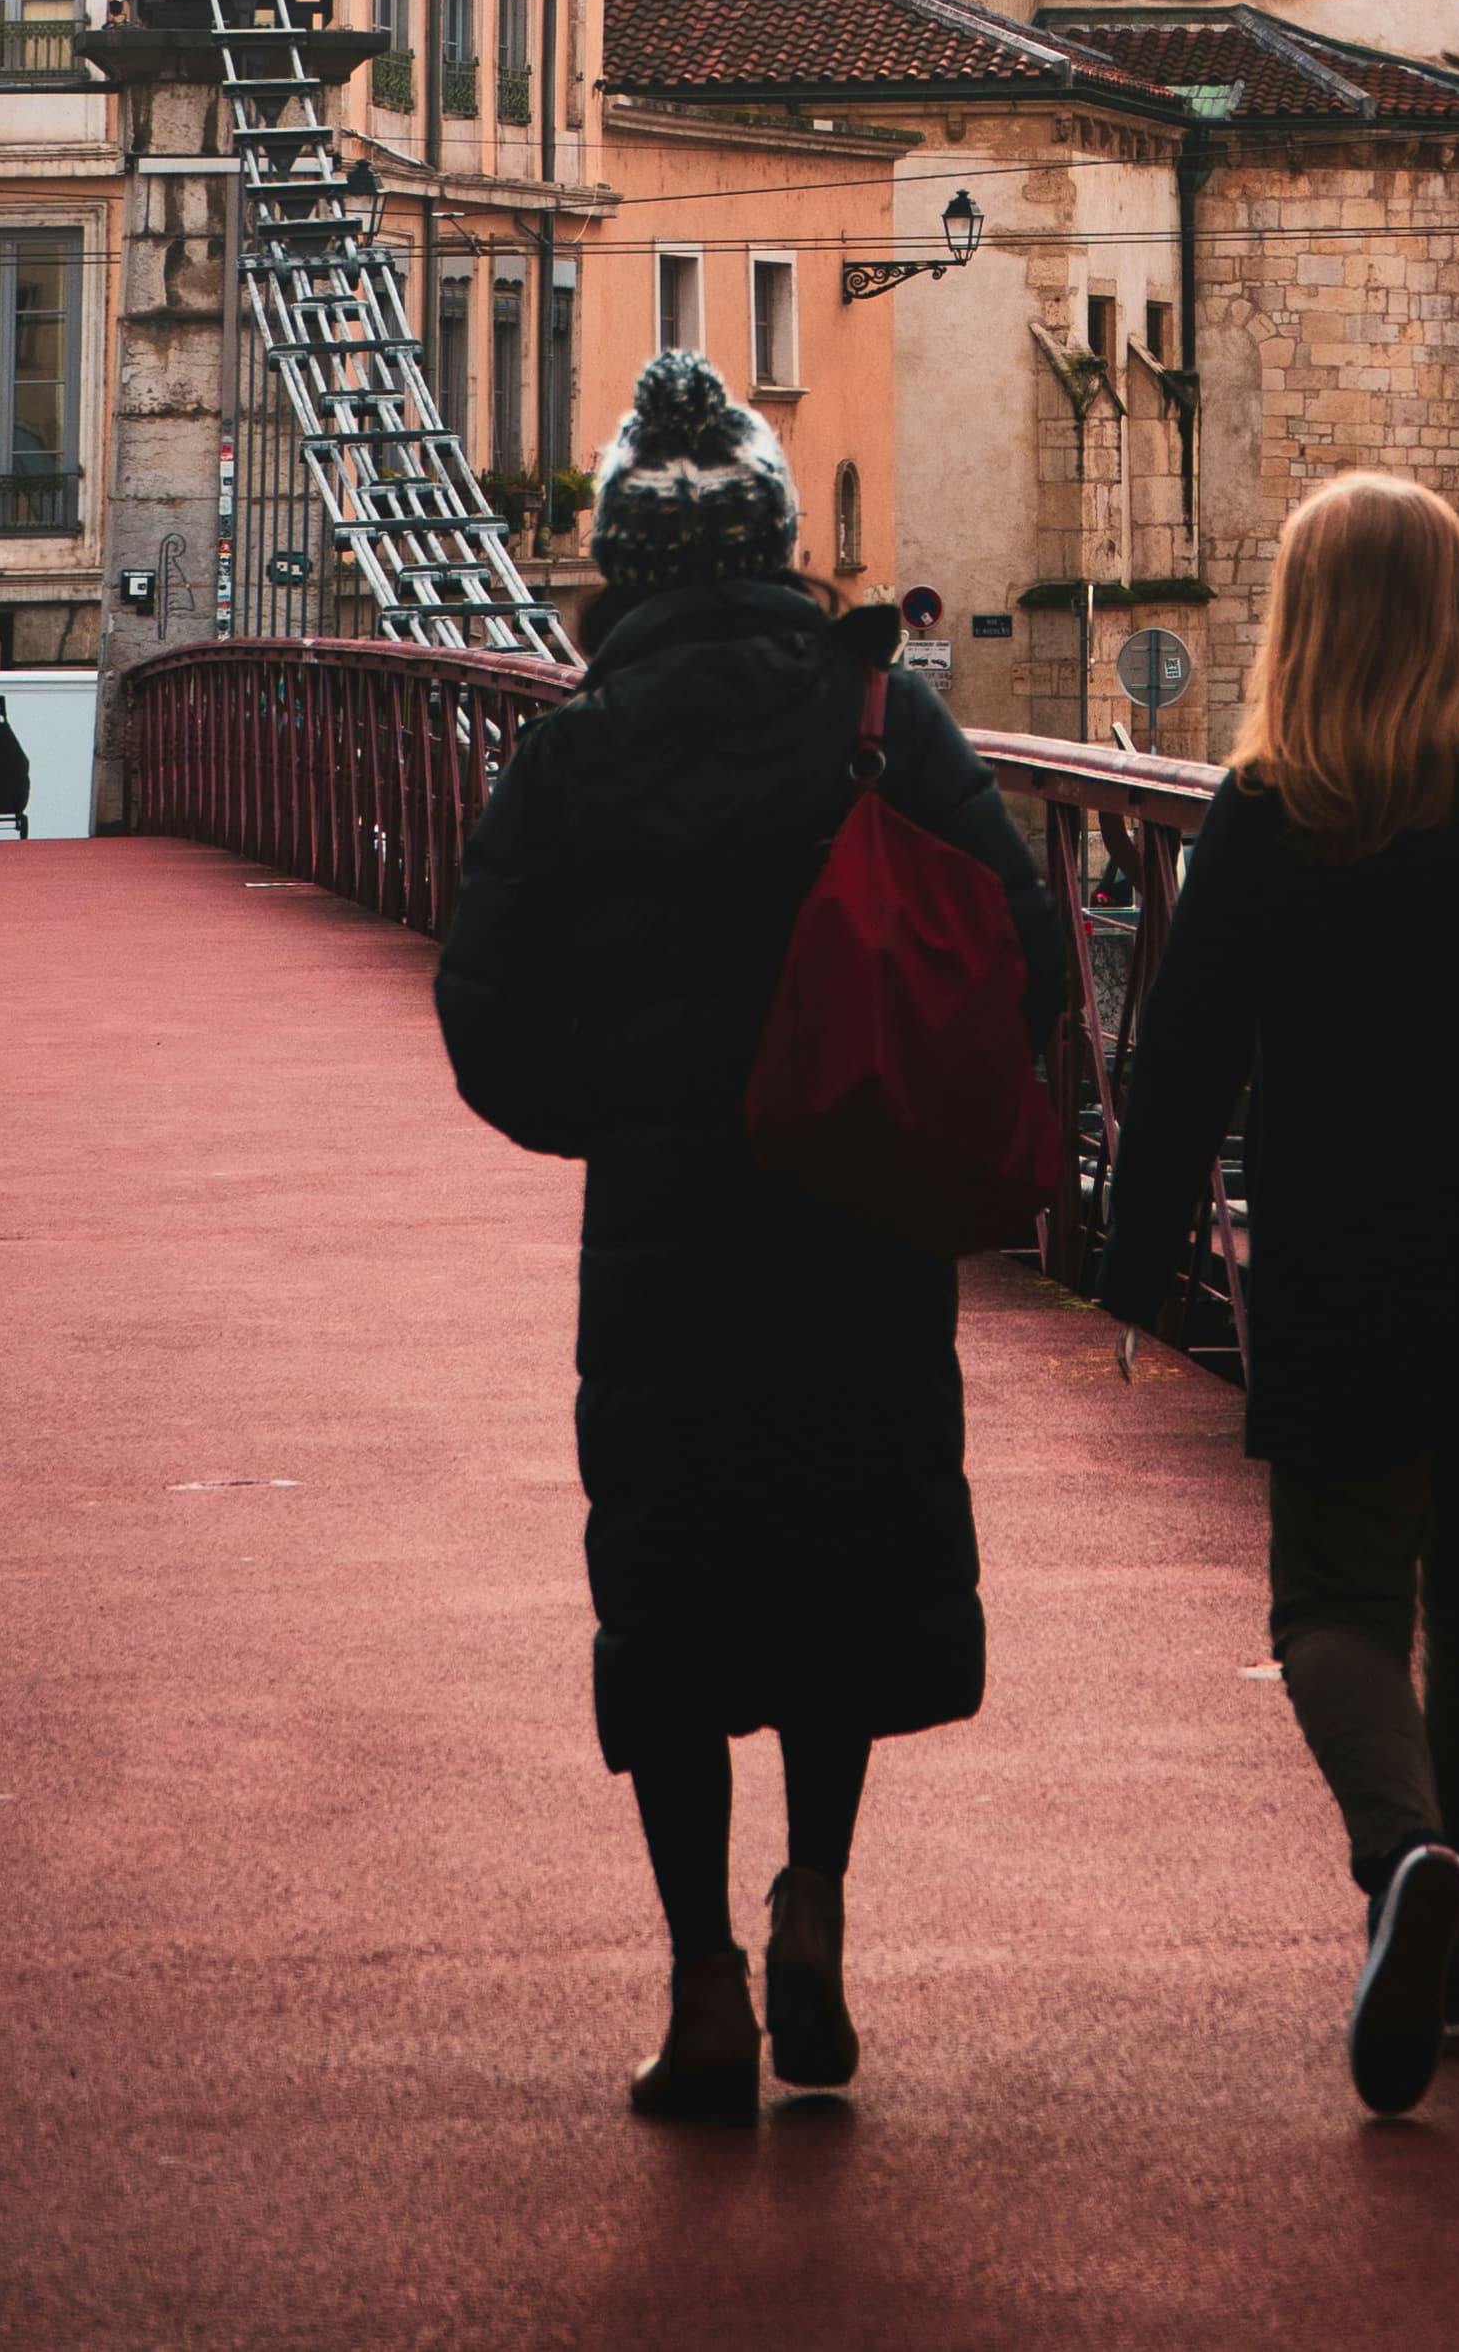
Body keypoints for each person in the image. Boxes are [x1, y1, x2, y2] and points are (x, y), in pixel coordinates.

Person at [435, 348, 1066, 2129]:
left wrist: (614, 1118)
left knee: (677, 1593)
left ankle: (702, 1984)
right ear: (788, 546)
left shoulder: (569, 754)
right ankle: (819, 1901)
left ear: (621, 565)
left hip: (666, 1241)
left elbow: (484, 1017)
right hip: (855, 1220)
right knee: (839, 1570)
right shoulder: (883, 719)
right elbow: (1020, 938)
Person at [1096, 472, 1459, 2117]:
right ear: (1454, 606)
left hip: (1345, 1241)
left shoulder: (1268, 809)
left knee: (1333, 1598)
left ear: (1304, 615)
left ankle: (1401, 1847)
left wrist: (1136, 1278)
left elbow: (1184, 1058)